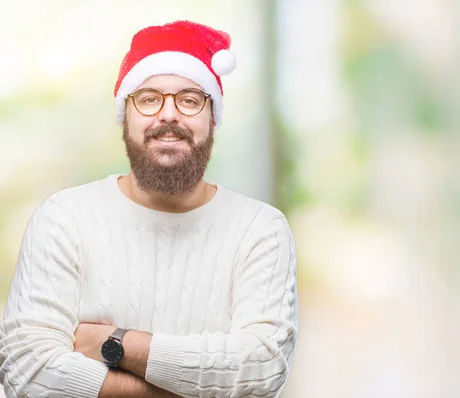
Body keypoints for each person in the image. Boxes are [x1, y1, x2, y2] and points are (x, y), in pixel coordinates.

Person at [0, 20, 299, 398]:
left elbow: (261, 369)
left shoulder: (260, 229)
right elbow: (27, 372)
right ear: (126, 116)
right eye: (149, 98)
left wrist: (117, 343)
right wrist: (190, 388)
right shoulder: (64, 219)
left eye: (190, 99)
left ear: (213, 118)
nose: (169, 114)